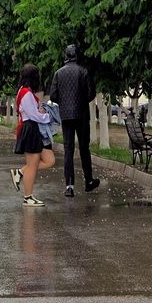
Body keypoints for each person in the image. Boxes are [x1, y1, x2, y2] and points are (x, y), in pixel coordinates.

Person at [49, 44, 99, 197]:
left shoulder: (58, 73)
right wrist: (80, 101)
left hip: (66, 116)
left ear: (66, 56)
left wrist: (65, 102)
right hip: (82, 114)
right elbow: (91, 94)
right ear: (77, 55)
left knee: (68, 150)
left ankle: (69, 186)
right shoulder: (84, 71)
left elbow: (53, 96)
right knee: (84, 148)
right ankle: (88, 181)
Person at [11, 64, 56, 207]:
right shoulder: (26, 93)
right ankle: (28, 197)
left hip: (33, 129)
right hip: (30, 128)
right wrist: (48, 116)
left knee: (49, 160)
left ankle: (20, 172)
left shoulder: (25, 91)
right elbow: (33, 115)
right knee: (32, 165)